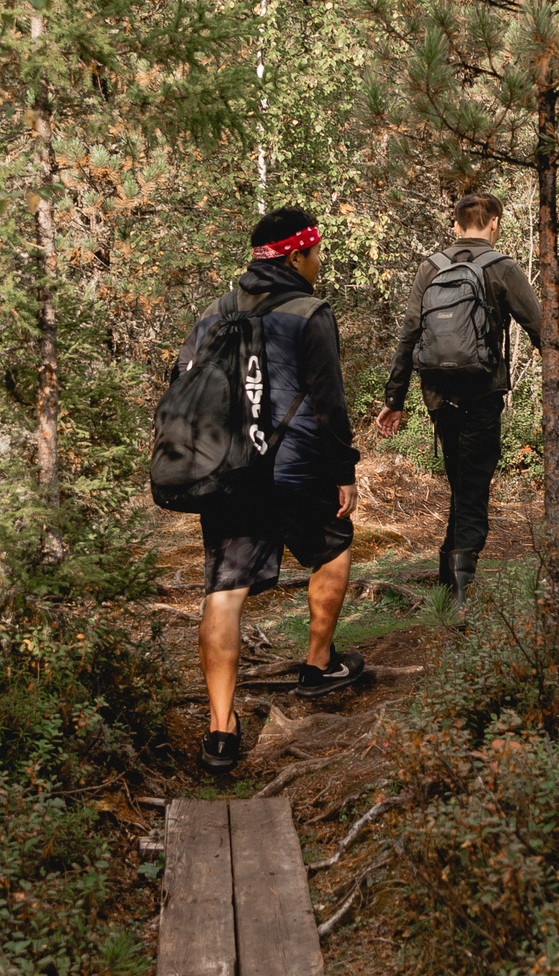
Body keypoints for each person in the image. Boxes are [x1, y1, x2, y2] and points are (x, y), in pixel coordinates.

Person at [185, 205, 369, 775]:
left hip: (229, 476)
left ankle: (221, 732)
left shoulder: (215, 311)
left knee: (224, 591)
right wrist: (345, 471)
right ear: (297, 256)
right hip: (297, 471)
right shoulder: (310, 312)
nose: (319, 264)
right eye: (316, 254)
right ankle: (318, 667)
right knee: (333, 548)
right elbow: (329, 402)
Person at [377, 192, 549, 604]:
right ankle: (460, 591)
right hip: (483, 391)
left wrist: (394, 398)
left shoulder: (429, 268)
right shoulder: (502, 267)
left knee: (461, 480)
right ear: (494, 224)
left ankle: (446, 570)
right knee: (472, 485)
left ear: (456, 226)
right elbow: (537, 324)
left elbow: (409, 336)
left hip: (437, 394)